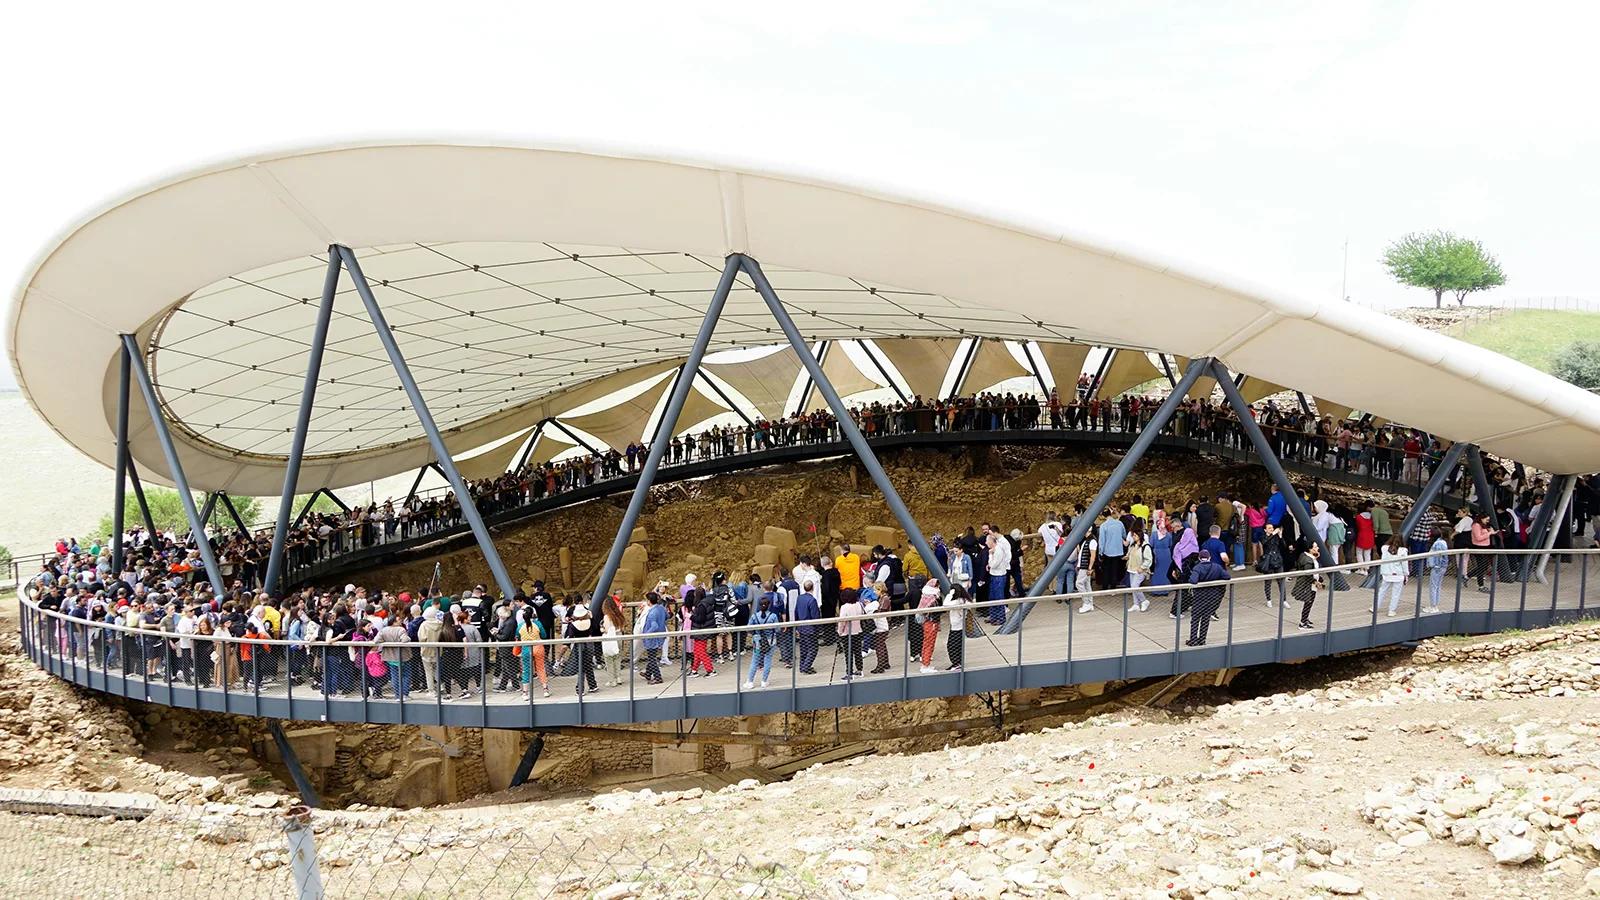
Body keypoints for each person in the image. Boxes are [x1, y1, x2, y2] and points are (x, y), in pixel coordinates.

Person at [1184, 550, 1230, 646]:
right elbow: (1227, 576)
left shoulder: (1198, 567)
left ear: (1200, 558)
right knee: (1205, 619)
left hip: (1200, 597)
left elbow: (1193, 580)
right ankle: (1202, 639)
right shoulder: (1216, 567)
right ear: (1209, 558)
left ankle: (1193, 639)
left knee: (1195, 619)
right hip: (1213, 597)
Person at [744, 596, 779, 689]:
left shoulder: (754, 616)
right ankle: (764, 681)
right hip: (770, 641)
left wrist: (755, 632)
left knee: (755, 661)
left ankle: (750, 681)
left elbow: (749, 628)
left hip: (757, 641)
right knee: (767, 660)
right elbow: (778, 629)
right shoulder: (773, 616)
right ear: (769, 605)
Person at [1291, 540, 1324, 629]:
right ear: (1310, 549)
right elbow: (1308, 574)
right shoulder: (1308, 560)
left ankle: (1305, 618)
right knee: (1308, 602)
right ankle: (1303, 622)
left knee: (1309, 602)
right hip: (1308, 585)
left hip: (1310, 583)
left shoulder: (1306, 556)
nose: (1318, 548)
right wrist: (1316, 582)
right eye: (1315, 547)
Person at [566, 604, 599, 694]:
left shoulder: (573, 625)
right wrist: (592, 618)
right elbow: (596, 629)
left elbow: (570, 636)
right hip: (589, 644)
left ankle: (580, 689)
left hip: (578, 646)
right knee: (588, 665)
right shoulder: (590, 622)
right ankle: (593, 685)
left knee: (581, 667)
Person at [1375, 534, 1409, 617]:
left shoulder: (1384, 548)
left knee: (1382, 591)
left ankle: (1375, 607)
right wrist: (1406, 574)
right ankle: (1391, 610)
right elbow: (1404, 564)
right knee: (1395, 594)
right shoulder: (1403, 551)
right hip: (1398, 574)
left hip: (1386, 573)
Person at [638, 592, 667, 685]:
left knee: (652, 658)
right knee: (652, 656)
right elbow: (668, 616)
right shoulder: (661, 608)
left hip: (652, 639)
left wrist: (646, 634)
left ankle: (658, 677)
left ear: (649, 601)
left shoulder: (652, 612)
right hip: (660, 636)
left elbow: (654, 626)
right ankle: (648, 673)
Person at [1256, 522, 1287, 606]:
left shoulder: (1276, 536)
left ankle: (1284, 600)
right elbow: (1264, 542)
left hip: (1277, 560)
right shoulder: (1263, 537)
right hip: (1268, 561)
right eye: (1269, 528)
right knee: (1268, 581)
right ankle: (1268, 599)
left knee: (1281, 581)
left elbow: (1283, 546)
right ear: (1265, 530)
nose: (1272, 529)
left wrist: (1280, 536)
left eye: (1272, 528)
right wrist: (1273, 534)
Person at [984, 531, 1011, 625]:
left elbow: (994, 564)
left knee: (999, 597)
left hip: (999, 576)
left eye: (987, 541)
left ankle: (1000, 617)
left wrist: (990, 555)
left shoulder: (998, 551)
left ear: (992, 541)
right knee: (992, 597)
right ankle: (993, 616)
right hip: (994, 575)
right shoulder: (995, 549)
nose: (986, 543)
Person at [794, 579, 821, 674]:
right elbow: (815, 616)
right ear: (813, 588)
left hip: (801, 627)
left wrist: (796, 626)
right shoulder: (812, 600)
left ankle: (802, 666)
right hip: (810, 629)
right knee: (813, 649)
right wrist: (818, 628)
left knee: (804, 648)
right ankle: (806, 666)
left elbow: (796, 611)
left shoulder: (799, 598)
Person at [914, 581, 941, 673]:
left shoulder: (925, 597)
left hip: (926, 623)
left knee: (926, 643)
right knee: (929, 644)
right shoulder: (932, 599)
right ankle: (926, 665)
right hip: (931, 623)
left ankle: (925, 663)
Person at [836, 588, 863, 679]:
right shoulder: (859, 605)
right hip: (858, 631)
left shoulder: (844, 607)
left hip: (847, 633)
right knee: (857, 652)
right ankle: (860, 670)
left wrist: (839, 632)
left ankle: (849, 673)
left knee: (848, 654)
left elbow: (842, 622)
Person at [600, 595, 626, 687]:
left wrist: (602, 630)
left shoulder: (607, 616)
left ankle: (612, 680)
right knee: (617, 657)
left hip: (611, 638)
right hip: (619, 636)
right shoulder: (618, 614)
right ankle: (618, 677)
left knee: (609, 659)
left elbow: (607, 629)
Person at [943, 580, 969, 671]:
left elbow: (945, 604)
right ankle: (958, 662)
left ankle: (956, 663)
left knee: (951, 646)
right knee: (957, 646)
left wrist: (950, 594)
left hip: (957, 627)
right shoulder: (963, 600)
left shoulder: (957, 602)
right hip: (958, 626)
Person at [1125, 529, 1152, 612]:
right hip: (1131, 568)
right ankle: (1135, 604)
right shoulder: (1133, 545)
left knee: (1135, 586)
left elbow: (1148, 559)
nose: (1133, 537)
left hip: (1140, 570)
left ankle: (1144, 601)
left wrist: (1143, 567)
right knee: (1133, 587)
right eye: (1133, 535)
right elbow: (1129, 554)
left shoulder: (1145, 546)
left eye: (1135, 535)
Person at [1425, 527, 1450, 614]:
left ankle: (1433, 606)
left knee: (1433, 586)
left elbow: (1439, 557)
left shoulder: (1438, 543)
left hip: (1437, 568)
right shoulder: (1443, 542)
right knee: (1437, 586)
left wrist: (1435, 566)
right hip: (1441, 567)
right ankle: (1435, 605)